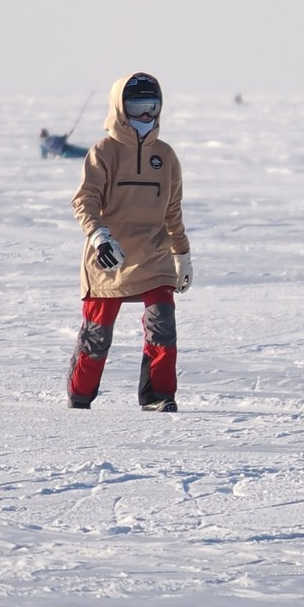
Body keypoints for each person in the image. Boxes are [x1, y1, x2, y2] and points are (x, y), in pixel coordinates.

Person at [66, 72, 191, 410]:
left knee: (162, 329)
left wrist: (182, 254)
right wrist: (99, 236)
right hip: (109, 257)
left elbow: (173, 210)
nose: (146, 116)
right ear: (121, 109)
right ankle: (79, 398)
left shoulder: (165, 156)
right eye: (138, 107)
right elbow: (85, 200)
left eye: (152, 106)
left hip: (154, 255)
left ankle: (158, 396)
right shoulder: (103, 152)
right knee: (97, 336)